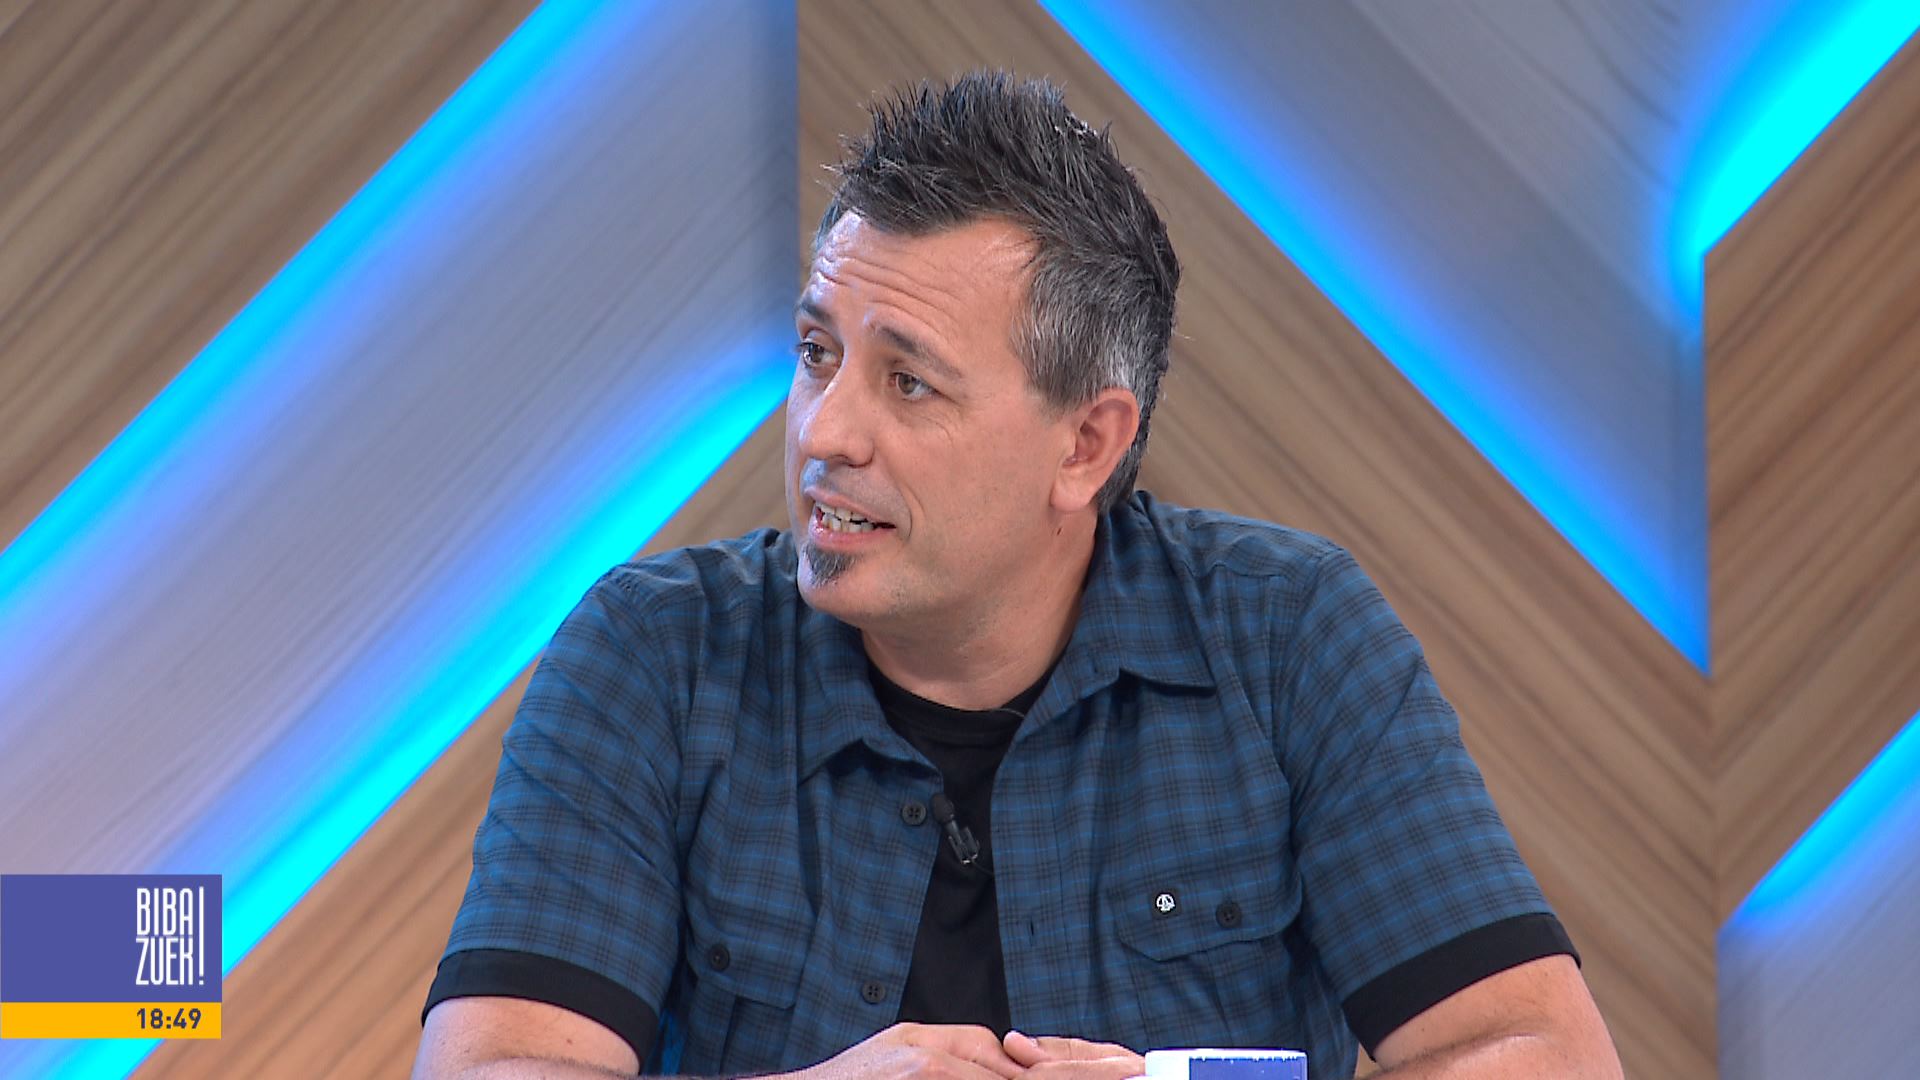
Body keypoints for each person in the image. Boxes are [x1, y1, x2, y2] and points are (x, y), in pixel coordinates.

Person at [414, 72, 1623, 1080]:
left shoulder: (1287, 638)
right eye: (818, 352)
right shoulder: (652, 658)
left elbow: (1536, 1053)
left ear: (1085, 445)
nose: (825, 431)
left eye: (909, 382)